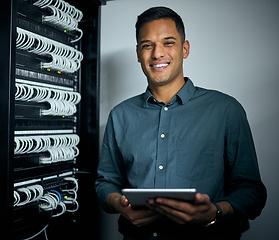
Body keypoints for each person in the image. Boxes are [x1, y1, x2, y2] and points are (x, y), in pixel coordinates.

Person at [95, 6, 267, 240]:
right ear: (138, 54)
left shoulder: (226, 110)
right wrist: (118, 203)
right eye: (148, 45)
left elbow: (252, 192)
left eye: (168, 43)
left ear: (184, 49)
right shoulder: (120, 115)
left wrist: (213, 211)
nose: (157, 54)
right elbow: (105, 183)